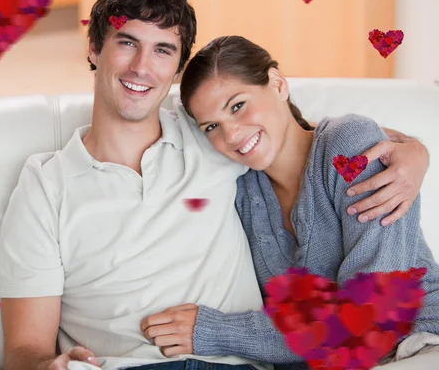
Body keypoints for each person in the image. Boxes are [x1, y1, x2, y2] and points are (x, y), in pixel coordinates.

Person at [0, 0, 430, 370]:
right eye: (126, 42)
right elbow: (25, 350)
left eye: (163, 50)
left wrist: (414, 150)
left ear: (176, 68)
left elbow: (313, 135)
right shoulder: (47, 184)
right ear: (94, 48)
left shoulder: (214, 141)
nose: (142, 67)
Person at [141, 35, 439, 369]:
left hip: (415, 345)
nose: (231, 135)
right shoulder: (239, 187)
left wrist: (218, 330)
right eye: (212, 126)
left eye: (237, 106)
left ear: (278, 84)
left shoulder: (349, 145)